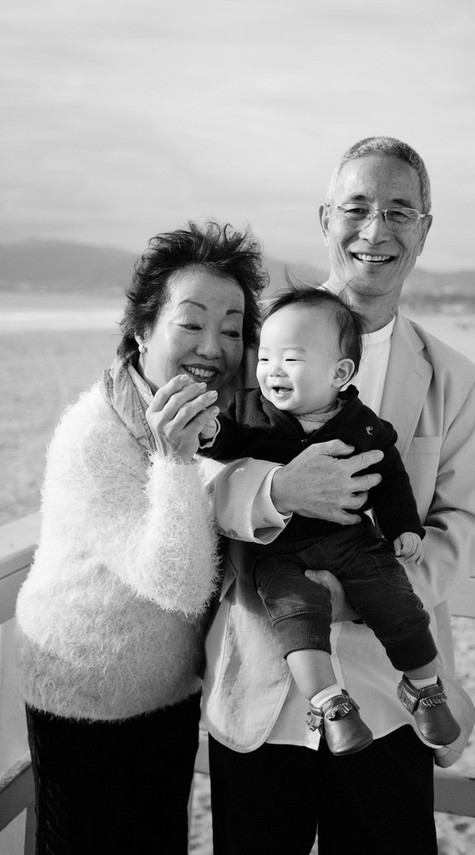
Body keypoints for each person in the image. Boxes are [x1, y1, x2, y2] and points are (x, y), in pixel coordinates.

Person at [202, 136, 475, 855]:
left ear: (426, 228)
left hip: (389, 693)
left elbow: (466, 521)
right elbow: (203, 475)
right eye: (357, 208)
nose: (376, 229)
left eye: (400, 210)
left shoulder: (453, 376)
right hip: (261, 687)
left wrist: (370, 588)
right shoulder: (261, 347)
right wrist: (278, 487)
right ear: (325, 217)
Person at [14, 220, 270, 855]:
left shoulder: (212, 413)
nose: (215, 345)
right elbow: (180, 585)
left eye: (233, 329)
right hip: (84, 688)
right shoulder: (94, 433)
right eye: (191, 322)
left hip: (168, 686)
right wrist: (175, 460)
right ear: (141, 328)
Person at [200, 286, 460, 755]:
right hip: (276, 554)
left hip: (352, 544)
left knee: (396, 599)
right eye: (265, 359)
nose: (271, 371)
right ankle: (329, 701)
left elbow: (391, 476)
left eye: (291, 361)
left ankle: (423, 686)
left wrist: (404, 527)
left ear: (340, 373)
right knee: (297, 615)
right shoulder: (249, 410)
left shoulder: (363, 424)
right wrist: (214, 432)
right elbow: (221, 453)